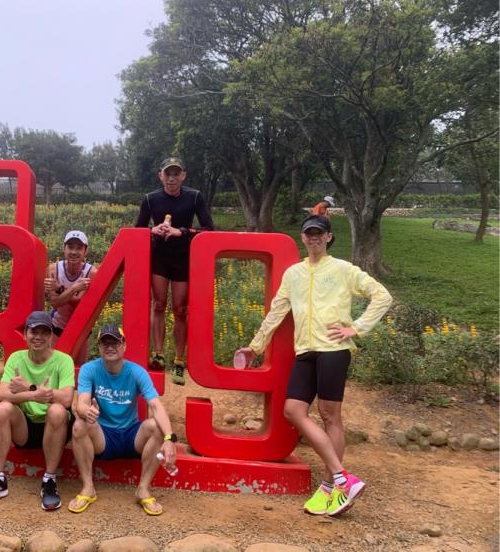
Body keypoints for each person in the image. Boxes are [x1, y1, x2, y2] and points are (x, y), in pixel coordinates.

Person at [235, 215, 392, 517]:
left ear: (329, 237)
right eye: (309, 233)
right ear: (303, 237)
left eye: (319, 233)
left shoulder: (343, 269)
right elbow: (276, 311)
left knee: (330, 416)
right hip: (305, 351)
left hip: (334, 350)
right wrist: (255, 346)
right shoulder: (293, 273)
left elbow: (382, 297)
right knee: (293, 410)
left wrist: (356, 328)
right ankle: (342, 479)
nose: (314, 237)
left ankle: (331, 486)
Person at [68, 325, 178, 516]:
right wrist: (87, 411)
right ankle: (88, 488)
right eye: (105, 343)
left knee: (157, 427)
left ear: (124, 345)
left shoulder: (137, 372)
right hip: (103, 436)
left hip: (131, 435)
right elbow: (81, 403)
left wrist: (170, 438)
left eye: (115, 342)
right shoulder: (89, 369)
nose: (110, 347)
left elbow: (155, 405)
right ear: (99, 347)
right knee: (79, 425)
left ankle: (143, 489)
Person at [0, 311, 75, 511]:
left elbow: (66, 399)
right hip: (25, 427)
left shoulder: (63, 360)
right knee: (2, 409)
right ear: (26, 334)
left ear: (51, 336)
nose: (38, 337)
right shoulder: (16, 358)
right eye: (33, 331)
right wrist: (34, 395)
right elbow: (1, 395)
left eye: (44, 332)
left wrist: (28, 387)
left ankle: (49, 480)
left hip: (56, 427)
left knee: (57, 410)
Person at [135, 157, 214, 385]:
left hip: (183, 259)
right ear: (160, 176)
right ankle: (158, 354)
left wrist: (182, 232)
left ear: (183, 175)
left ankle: (179, 360)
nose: (171, 178)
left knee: (180, 310)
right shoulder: (150, 199)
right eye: (167, 174)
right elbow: (137, 230)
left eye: (176, 174)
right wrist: (153, 230)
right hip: (159, 258)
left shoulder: (194, 196)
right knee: (158, 304)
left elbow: (209, 228)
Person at [44, 230, 98, 365]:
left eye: (79, 248)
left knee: (78, 369)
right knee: (53, 368)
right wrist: (74, 288)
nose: (74, 252)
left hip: (81, 328)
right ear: (64, 248)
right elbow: (55, 302)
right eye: (70, 247)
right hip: (58, 326)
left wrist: (59, 288)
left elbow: (80, 304)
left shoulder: (91, 273)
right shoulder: (53, 269)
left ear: (85, 251)